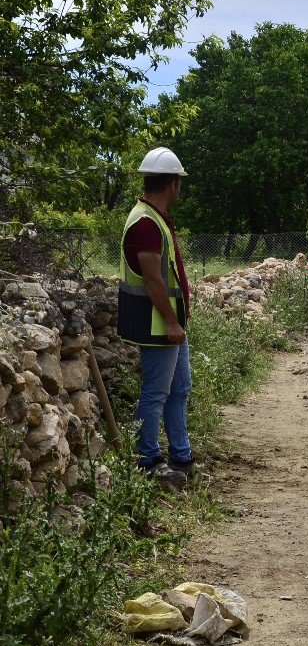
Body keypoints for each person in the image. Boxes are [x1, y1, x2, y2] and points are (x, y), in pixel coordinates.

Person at [118, 147, 196, 488]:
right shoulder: (146, 223)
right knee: (156, 393)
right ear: (172, 185)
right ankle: (148, 460)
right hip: (158, 325)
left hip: (167, 324)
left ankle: (181, 454)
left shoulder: (153, 217)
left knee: (179, 389)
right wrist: (172, 322)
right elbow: (153, 279)